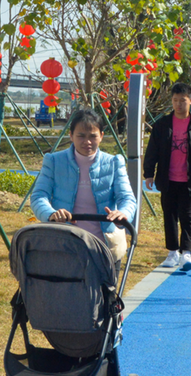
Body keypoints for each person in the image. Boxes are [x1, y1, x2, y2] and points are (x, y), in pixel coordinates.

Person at [30, 107, 137, 263]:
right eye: (81, 136)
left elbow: (127, 198)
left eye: (93, 136)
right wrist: (51, 214)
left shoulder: (114, 163)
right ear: (71, 135)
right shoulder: (54, 161)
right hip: (64, 244)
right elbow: (39, 196)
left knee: (107, 280)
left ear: (101, 136)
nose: (87, 142)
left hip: (105, 247)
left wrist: (122, 213)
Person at [143, 82, 191, 271]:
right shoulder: (162, 124)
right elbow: (152, 150)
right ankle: (172, 252)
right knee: (170, 217)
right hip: (168, 180)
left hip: (190, 181)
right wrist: (149, 174)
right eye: (175, 100)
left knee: (188, 217)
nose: (178, 104)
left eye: (182, 100)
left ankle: (186, 253)